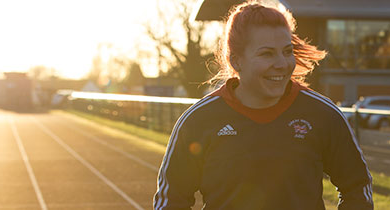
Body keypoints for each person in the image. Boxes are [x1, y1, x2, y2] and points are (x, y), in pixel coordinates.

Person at [153, 2, 373, 210]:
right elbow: (171, 200)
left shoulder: (322, 114)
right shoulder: (199, 120)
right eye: (267, 53)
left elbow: (357, 187)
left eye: (287, 52)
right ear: (236, 60)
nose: (282, 64)